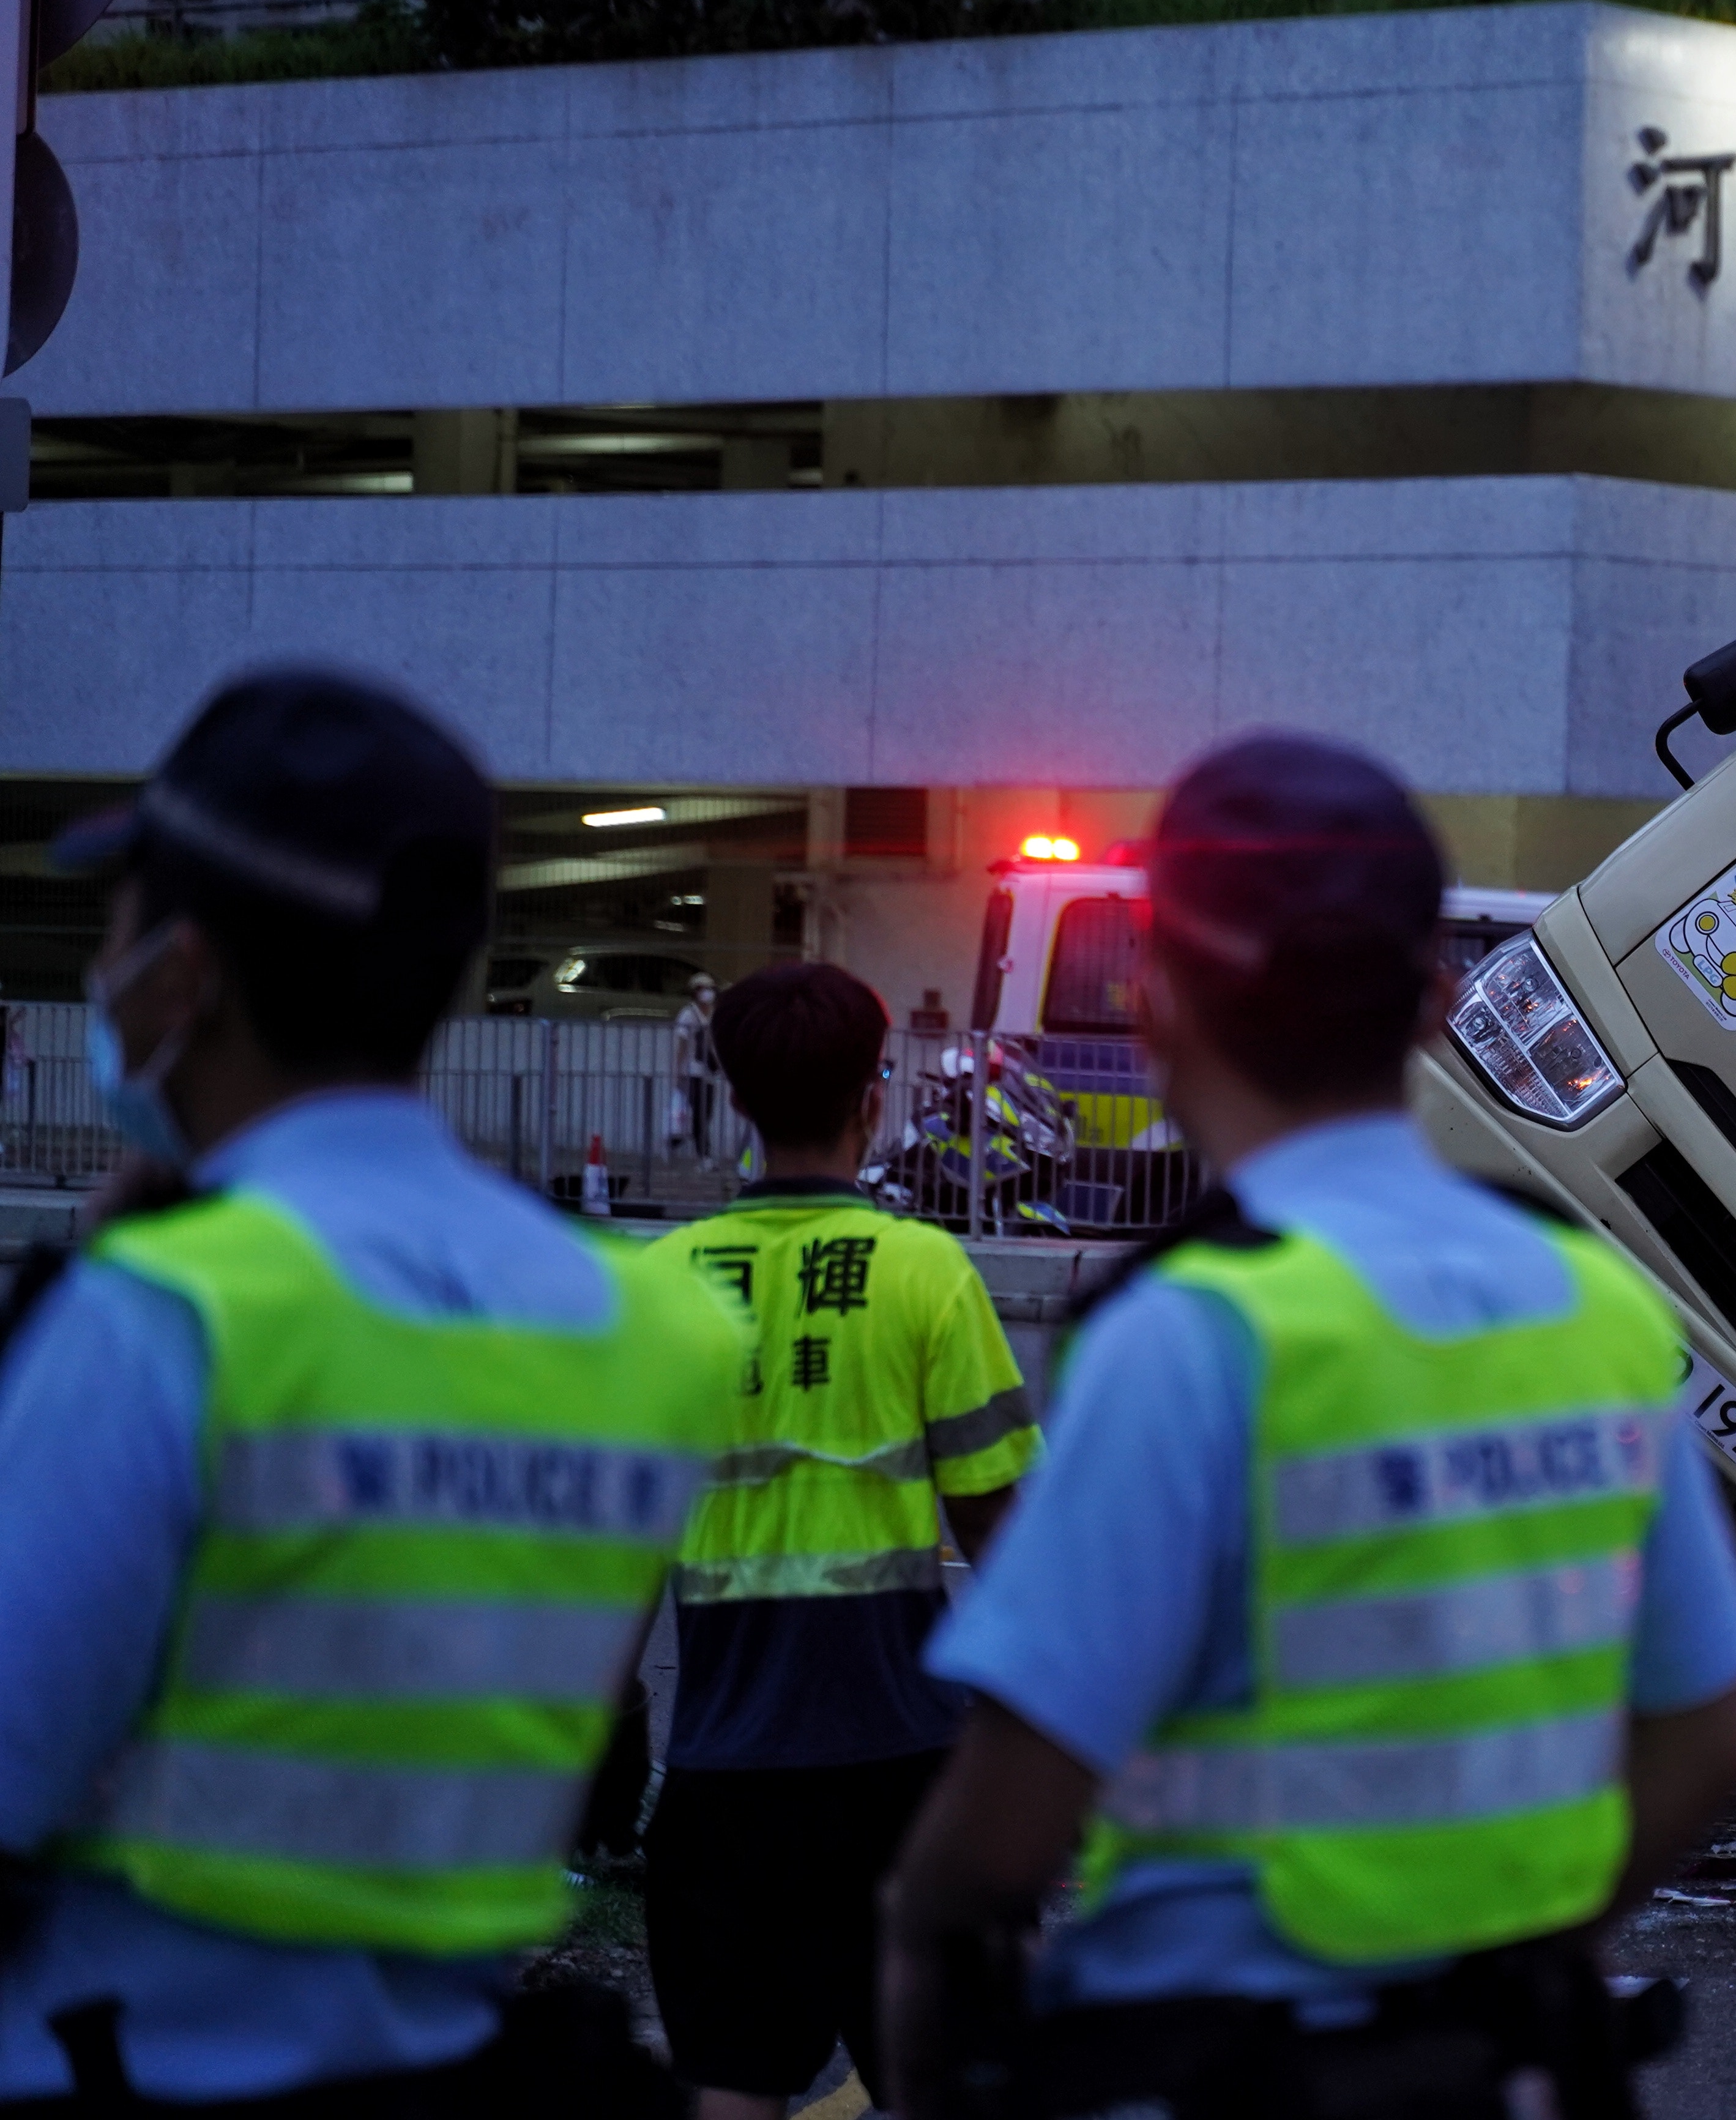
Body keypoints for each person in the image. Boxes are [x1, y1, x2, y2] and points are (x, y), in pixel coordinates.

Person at [878, 733, 1736, 2119]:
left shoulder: (1193, 1329)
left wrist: (922, 1941)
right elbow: (1713, 1734)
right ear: (1435, 998)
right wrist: (1517, 1951)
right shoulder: (1593, 1300)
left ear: (1158, 997)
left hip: (1213, 2066)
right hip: (1508, 2061)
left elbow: (1004, 1826)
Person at [0, 671, 738, 2110]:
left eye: (122, 916)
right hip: (455, 2057)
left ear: (186, 970)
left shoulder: (171, 1310)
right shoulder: (649, 1320)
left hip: (124, 2053)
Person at [643, 964, 1042, 2119]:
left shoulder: (660, 1285)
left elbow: (621, 1554)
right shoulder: (924, 1270)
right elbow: (1002, 1528)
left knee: (730, 2084)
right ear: (875, 1095)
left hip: (721, 1772)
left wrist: (612, 1731)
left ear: (731, 1097)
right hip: (903, 1768)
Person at [674, 972, 720, 1158]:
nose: (707, 992)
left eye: (710, 988)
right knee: (700, 1114)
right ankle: (705, 1155)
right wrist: (677, 1071)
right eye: (703, 989)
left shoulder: (714, 1014)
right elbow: (682, 1046)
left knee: (707, 1114)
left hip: (709, 1072)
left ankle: (677, 1141)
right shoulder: (688, 1014)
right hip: (693, 1072)